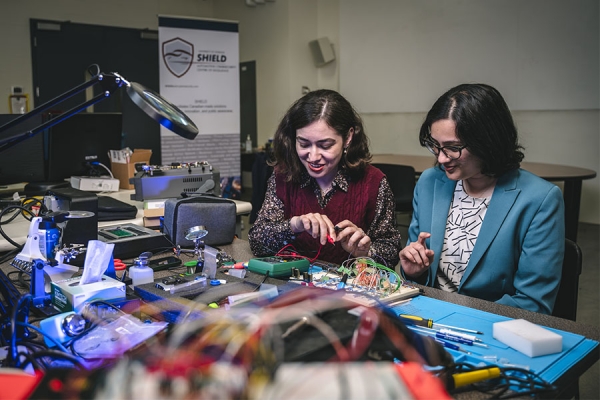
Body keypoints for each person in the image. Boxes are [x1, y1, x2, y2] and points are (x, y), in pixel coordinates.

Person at [399, 83, 565, 314]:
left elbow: (533, 303)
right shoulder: (430, 183)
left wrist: (458, 319)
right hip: (426, 316)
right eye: (435, 145)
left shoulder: (539, 199)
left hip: (490, 329)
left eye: (453, 147)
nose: (441, 158)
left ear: (488, 141)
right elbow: (418, 278)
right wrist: (413, 271)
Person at [248, 89, 401, 267]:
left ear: (348, 137)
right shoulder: (284, 176)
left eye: (325, 145)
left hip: (351, 290)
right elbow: (257, 242)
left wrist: (365, 252)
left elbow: (391, 252)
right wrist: (294, 225)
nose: (313, 156)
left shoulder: (373, 183)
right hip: (293, 287)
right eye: (304, 144)